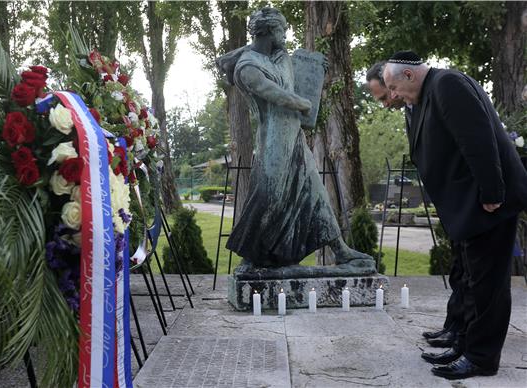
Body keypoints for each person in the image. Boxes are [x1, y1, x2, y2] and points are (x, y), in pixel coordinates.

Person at [383, 51, 527, 380]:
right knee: (470, 278)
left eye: (394, 86)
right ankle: (463, 342)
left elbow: (479, 140)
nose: (392, 95)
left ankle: (480, 358)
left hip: (488, 203)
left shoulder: (448, 84)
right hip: (469, 204)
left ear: (409, 76)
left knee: (487, 286)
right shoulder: (429, 91)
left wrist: (493, 193)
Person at [216, 8, 374, 271]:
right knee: (268, 196)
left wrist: (314, 69)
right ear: (267, 32)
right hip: (273, 142)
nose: (285, 34)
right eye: (281, 29)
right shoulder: (247, 68)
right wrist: (304, 103)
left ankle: (341, 250)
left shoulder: (280, 57)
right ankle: (251, 257)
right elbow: (276, 94)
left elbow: (296, 79)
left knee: (316, 191)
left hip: (294, 137)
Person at [367, 60, 463, 350]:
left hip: (462, 197)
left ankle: (467, 337)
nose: (386, 103)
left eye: (386, 95)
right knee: (460, 270)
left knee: (471, 272)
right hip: (449, 200)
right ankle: (455, 327)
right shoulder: (411, 107)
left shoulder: (438, 91)